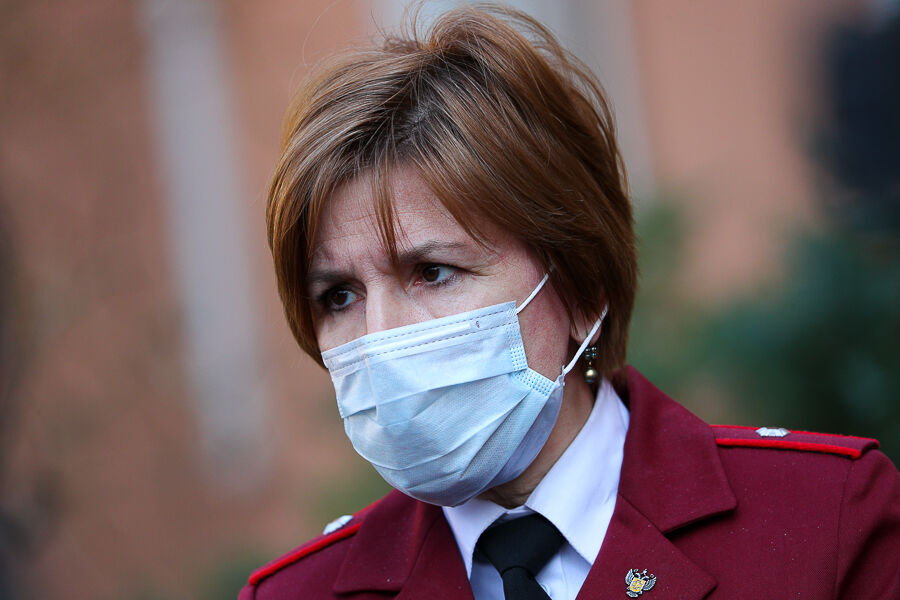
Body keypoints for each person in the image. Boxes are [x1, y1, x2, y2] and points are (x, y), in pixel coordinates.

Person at [241, 5, 900, 599]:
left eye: (433, 272)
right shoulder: (298, 594)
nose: (379, 335)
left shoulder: (824, 521)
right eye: (339, 295)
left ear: (582, 285)